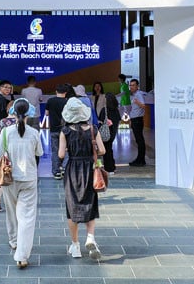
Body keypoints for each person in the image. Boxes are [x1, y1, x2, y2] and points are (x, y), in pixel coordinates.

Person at [0, 98, 44, 269]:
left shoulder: (6, 132)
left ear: (13, 113)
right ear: (29, 114)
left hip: (9, 178)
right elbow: (39, 154)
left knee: (11, 211)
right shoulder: (34, 133)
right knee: (27, 217)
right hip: (29, 178)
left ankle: (14, 240)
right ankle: (22, 255)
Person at [58, 97, 106, 260]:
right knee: (89, 204)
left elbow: (61, 154)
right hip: (90, 169)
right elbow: (103, 150)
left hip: (73, 169)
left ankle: (75, 246)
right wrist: (91, 151)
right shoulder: (93, 129)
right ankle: (90, 238)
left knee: (72, 208)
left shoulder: (65, 131)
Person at [0, 99, 17, 213]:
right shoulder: (20, 123)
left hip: (3, 154)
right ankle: (14, 202)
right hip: (16, 154)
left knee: (1, 177)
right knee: (14, 178)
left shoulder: (2, 122)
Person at [44, 83, 69, 179]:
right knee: (66, 149)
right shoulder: (67, 101)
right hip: (65, 129)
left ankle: (56, 171)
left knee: (55, 150)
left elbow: (46, 113)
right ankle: (65, 169)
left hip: (54, 129)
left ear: (56, 92)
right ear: (65, 92)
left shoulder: (50, 101)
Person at [128, 79, 148, 167]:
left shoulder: (138, 95)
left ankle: (141, 160)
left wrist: (137, 102)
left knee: (140, 140)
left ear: (137, 86)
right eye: (130, 85)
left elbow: (143, 106)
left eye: (133, 85)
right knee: (138, 140)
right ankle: (140, 159)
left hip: (137, 120)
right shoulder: (134, 95)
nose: (131, 87)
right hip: (134, 119)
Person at [99, 92, 120, 174]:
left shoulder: (104, 110)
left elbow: (100, 121)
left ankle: (109, 168)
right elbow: (118, 120)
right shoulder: (116, 110)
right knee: (109, 149)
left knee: (106, 150)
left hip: (105, 133)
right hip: (113, 132)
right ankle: (112, 167)